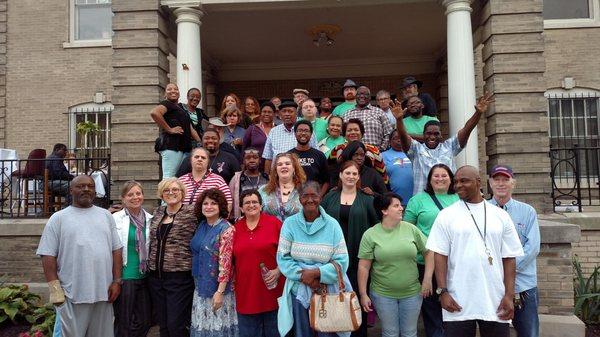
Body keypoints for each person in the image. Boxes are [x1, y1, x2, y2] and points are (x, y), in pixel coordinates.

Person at [426, 166, 524, 337]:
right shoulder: (446, 215)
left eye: (464, 181)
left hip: (494, 299)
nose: (458, 185)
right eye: (456, 181)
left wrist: (509, 295)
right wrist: (443, 292)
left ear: (478, 182)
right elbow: (440, 255)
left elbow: (509, 258)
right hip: (458, 300)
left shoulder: (500, 216)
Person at [37, 175, 123, 337]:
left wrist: (117, 281)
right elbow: (47, 255)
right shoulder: (58, 219)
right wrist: (55, 290)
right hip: (71, 295)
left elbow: (116, 249)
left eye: (90, 186)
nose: (86, 189)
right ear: (71, 190)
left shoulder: (106, 216)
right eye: (80, 186)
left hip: (103, 294)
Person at [276, 181, 351, 337]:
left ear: (320, 198)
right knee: (302, 333)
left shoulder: (332, 225)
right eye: (305, 196)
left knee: (326, 332)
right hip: (298, 289)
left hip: (327, 290)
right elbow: (283, 258)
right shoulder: (290, 224)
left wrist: (317, 273)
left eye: (314, 196)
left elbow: (342, 261)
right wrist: (307, 278)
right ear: (299, 199)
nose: (310, 200)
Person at [357, 192, 432, 337]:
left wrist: (427, 279)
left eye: (400, 205)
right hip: (382, 294)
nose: (401, 208)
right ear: (384, 211)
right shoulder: (370, 234)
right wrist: (363, 294)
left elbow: (429, 252)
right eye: (396, 206)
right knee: (390, 333)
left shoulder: (411, 229)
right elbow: (363, 266)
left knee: (410, 333)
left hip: (412, 293)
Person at [393, 92, 494, 195]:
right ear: (423, 135)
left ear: (441, 135)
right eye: (428, 133)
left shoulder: (449, 147)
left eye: (436, 134)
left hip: (448, 200)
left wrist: (478, 113)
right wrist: (399, 120)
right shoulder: (416, 149)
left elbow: (467, 128)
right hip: (423, 201)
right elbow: (403, 136)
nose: (432, 137)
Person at [321, 160, 378, 337]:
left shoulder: (367, 199)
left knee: (357, 301)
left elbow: (376, 226)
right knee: (335, 301)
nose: (351, 176)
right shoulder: (329, 198)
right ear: (340, 175)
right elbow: (319, 224)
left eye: (354, 174)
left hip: (358, 260)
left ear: (358, 177)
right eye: (347, 173)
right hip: (333, 261)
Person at [403, 164, 459, 337]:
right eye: (436, 176)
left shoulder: (460, 199)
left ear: (451, 179)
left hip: (454, 262)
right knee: (431, 309)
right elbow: (407, 230)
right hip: (424, 263)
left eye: (444, 176)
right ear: (429, 180)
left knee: (453, 305)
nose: (440, 179)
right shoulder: (418, 200)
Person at [488, 165, 540, 337]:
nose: (501, 183)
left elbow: (532, 248)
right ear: (490, 183)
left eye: (505, 179)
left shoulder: (527, 212)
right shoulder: (483, 211)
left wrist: (506, 270)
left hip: (523, 286)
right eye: (497, 179)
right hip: (492, 286)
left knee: (528, 333)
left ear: (513, 183)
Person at [147, 178, 197, 337]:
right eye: (167, 190)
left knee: (176, 324)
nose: (171, 193)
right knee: (163, 325)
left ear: (182, 193)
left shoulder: (192, 212)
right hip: (155, 277)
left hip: (180, 278)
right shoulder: (158, 212)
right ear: (161, 194)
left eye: (175, 189)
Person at [233, 190, 284, 337]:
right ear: (241, 208)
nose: (251, 205)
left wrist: (279, 269)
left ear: (261, 205)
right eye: (247, 203)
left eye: (255, 202)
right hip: (246, 294)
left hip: (273, 293)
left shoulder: (275, 224)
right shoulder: (234, 229)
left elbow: (288, 253)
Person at [190, 189, 237, 337]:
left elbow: (226, 263)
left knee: (216, 329)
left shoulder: (227, 229)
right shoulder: (202, 225)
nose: (208, 207)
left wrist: (220, 292)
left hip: (218, 289)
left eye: (213, 203)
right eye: (205, 203)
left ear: (220, 206)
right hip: (200, 286)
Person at [112, 181, 153, 337]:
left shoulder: (150, 219)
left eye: (138, 193)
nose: (135, 197)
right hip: (125, 276)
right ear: (123, 199)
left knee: (145, 321)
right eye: (130, 194)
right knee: (124, 321)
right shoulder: (115, 219)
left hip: (145, 276)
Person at [150, 83, 201, 179]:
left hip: (183, 148)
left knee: (179, 179)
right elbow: (154, 113)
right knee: (169, 178)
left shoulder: (179, 109)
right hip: (172, 147)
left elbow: (190, 127)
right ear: (165, 94)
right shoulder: (166, 104)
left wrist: (200, 143)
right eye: (169, 89)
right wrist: (169, 129)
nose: (173, 91)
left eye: (175, 89)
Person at [328, 119, 388, 186]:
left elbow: (382, 175)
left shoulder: (373, 150)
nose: (353, 132)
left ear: (362, 133)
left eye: (356, 130)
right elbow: (330, 169)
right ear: (344, 134)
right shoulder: (338, 149)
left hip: (368, 188)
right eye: (349, 130)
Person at [262, 101, 316, 172]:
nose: (287, 114)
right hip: (278, 176)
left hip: (303, 175)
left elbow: (315, 154)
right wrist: (268, 178)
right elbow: (268, 158)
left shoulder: (306, 130)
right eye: (284, 111)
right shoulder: (273, 132)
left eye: (290, 111)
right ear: (280, 114)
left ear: (296, 113)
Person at [343, 86, 395, 151]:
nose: (362, 96)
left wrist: (381, 149)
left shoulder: (379, 112)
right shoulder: (347, 114)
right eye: (359, 94)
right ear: (356, 97)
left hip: (376, 154)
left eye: (365, 94)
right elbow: (342, 135)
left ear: (370, 97)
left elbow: (388, 133)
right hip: (353, 155)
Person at [259, 153, 306, 222]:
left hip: (296, 231)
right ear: (276, 170)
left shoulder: (304, 190)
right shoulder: (263, 190)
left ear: (294, 168)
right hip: (270, 231)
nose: (284, 166)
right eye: (279, 164)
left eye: (287, 164)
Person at [287, 120, 330, 195]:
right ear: (295, 133)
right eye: (300, 130)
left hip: (313, 198)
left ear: (311, 134)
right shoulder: (288, 156)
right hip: (293, 198)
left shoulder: (319, 155)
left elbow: (326, 181)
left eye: (306, 131)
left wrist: (319, 196)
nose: (303, 133)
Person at [229, 148, 269, 219]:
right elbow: (230, 201)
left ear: (260, 160)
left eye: (255, 157)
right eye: (248, 158)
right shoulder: (236, 178)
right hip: (243, 219)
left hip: (265, 219)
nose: (252, 160)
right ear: (243, 161)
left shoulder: (267, 178)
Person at [382, 130, 414, 206]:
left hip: (414, 201)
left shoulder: (413, 153)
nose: (399, 140)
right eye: (395, 138)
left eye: (402, 138)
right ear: (389, 141)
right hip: (395, 202)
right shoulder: (383, 155)